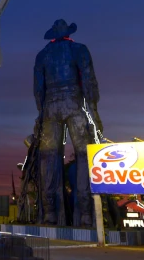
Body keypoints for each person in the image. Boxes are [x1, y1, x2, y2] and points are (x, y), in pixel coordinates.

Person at [33, 19, 101, 226]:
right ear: (68, 33)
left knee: (49, 158)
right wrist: (94, 111)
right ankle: (86, 212)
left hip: (50, 108)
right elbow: (89, 81)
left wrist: (41, 112)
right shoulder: (79, 49)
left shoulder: (42, 55)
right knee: (83, 155)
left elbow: (38, 89)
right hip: (74, 103)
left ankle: (50, 212)